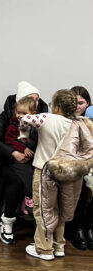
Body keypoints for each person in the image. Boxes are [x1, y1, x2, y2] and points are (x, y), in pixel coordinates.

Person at [19, 90, 82, 260]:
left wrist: (24, 136)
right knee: (60, 209)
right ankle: (58, 245)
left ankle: (44, 248)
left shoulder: (46, 118)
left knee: (43, 209)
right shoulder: (78, 125)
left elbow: (25, 118)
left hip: (45, 170)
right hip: (68, 172)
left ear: (57, 107)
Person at [0, 81, 48, 245]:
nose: (35, 102)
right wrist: (14, 153)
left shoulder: (42, 117)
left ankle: (41, 227)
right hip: (7, 161)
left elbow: (43, 141)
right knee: (16, 181)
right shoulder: (9, 115)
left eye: (37, 99)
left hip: (33, 160)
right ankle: (7, 222)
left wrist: (30, 151)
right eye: (31, 98)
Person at [4, 96, 38, 218]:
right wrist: (23, 148)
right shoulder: (14, 125)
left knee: (36, 176)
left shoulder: (35, 127)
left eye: (24, 113)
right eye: (18, 112)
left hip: (31, 158)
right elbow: (9, 140)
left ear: (33, 114)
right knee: (27, 175)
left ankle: (27, 200)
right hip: (17, 159)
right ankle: (28, 199)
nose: (20, 115)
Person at [68, 86, 92, 250]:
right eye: (74, 103)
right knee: (81, 187)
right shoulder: (62, 120)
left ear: (88, 104)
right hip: (70, 164)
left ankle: (89, 227)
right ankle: (77, 229)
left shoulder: (90, 121)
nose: (77, 107)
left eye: (81, 103)